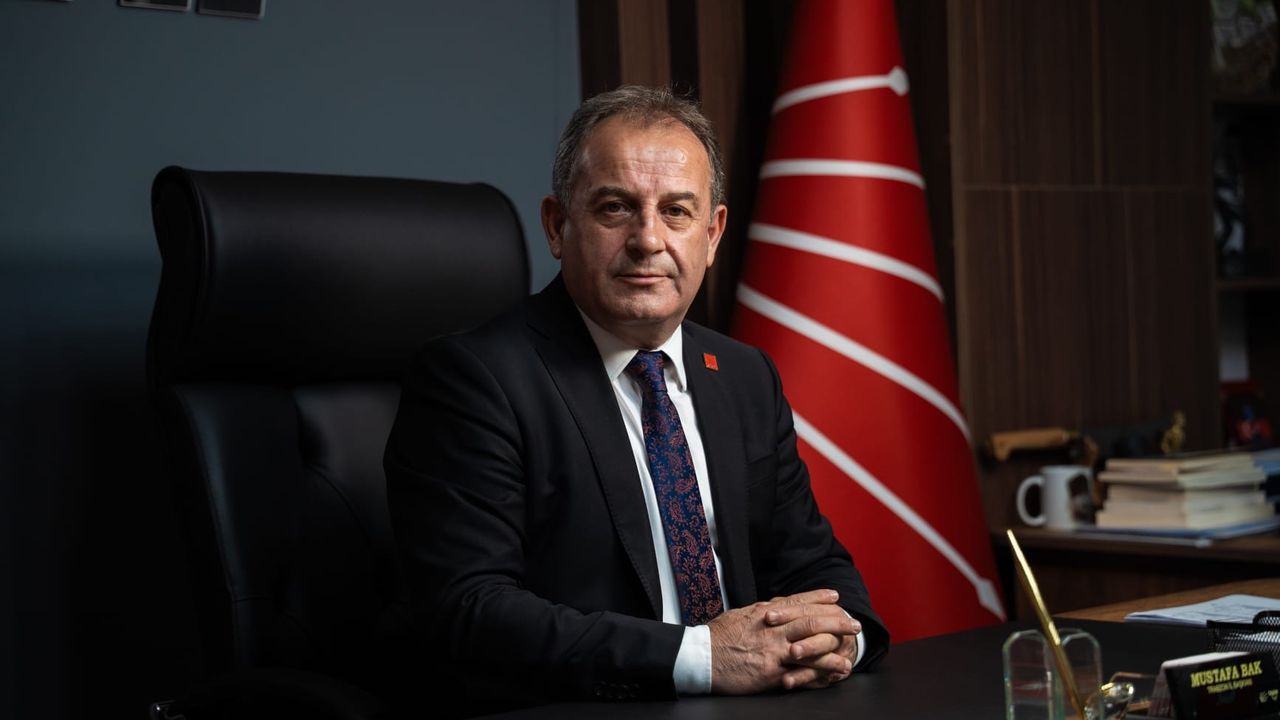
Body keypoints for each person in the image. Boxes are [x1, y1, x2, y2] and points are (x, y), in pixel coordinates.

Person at [384, 85, 888, 714]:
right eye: (616, 208)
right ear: (558, 226)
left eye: (676, 211)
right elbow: (470, 610)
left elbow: (814, 563)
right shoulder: (474, 379)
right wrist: (704, 658)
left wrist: (841, 641)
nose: (648, 240)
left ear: (712, 234)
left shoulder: (744, 375)